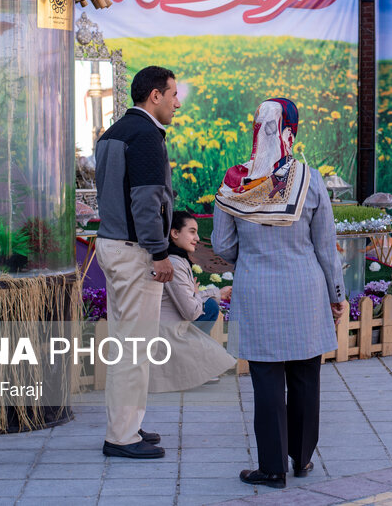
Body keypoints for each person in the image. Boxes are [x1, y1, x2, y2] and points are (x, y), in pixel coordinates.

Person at [212, 98, 347, 489]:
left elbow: (222, 245)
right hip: (305, 290)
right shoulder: (310, 179)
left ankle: (272, 469)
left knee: (266, 381)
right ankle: (302, 459)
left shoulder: (236, 181)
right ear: (292, 130)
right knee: (306, 376)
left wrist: (253, 254)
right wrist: (337, 293)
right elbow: (326, 247)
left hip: (257, 292)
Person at [94, 65, 181, 459]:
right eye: (173, 94)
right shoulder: (146, 135)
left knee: (125, 344)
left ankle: (126, 423)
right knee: (133, 348)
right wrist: (160, 253)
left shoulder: (113, 132)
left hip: (112, 245)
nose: (177, 103)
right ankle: (122, 436)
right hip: (134, 252)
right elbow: (146, 201)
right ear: (155, 96)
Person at [149, 211, 236, 394]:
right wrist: (206, 294)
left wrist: (206, 294)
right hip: (167, 334)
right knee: (210, 306)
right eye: (192, 231)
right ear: (174, 233)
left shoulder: (177, 260)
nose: (197, 238)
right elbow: (191, 311)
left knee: (209, 304)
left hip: (167, 328)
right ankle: (191, 364)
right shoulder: (173, 263)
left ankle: (194, 362)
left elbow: (189, 299)